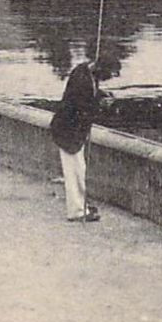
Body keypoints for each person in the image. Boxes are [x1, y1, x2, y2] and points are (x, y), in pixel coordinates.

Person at [48, 53, 120, 222]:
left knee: (78, 169)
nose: (108, 78)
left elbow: (89, 95)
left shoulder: (84, 71)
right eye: (108, 74)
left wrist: (101, 95)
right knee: (75, 171)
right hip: (69, 132)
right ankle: (77, 211)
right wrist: (101, 104)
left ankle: (81, 205)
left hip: (69, 129)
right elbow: (84, 107)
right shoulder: (83, 81)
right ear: (100, 69)